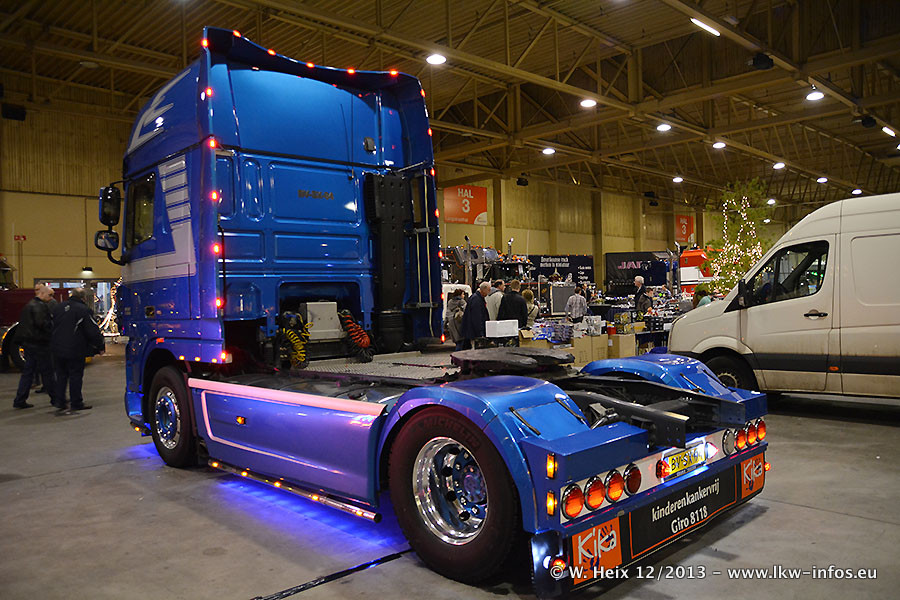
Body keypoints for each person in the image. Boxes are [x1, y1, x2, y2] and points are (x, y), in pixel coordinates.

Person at [51, 287, 105, 413]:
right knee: (75, 375)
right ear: (83, 298)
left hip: (57, 348)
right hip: (74, 348)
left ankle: (59, 401)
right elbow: (92, 330)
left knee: (61, 375)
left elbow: (50, 326)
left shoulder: (58, 308)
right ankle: (76, 402)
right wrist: (100, 346)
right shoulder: (83, 310)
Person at [12, 284, 60, 409]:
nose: (51, 298)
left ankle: (20, 399)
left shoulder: (29, 305)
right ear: (42, 294)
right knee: (48, 372)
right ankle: (56, 399)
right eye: (49, 295)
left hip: (29, 344)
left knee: (28, 372)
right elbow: (42, 324)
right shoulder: (40, 306)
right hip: (40, 344)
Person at [460, 281, 491, 350]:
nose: (489, 292)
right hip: (473, 333)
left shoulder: (475, 298)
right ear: (484, 289)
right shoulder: (477, 300)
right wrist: (480, 333)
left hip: (471, 331)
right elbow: (477, 318)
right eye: (488, 290)